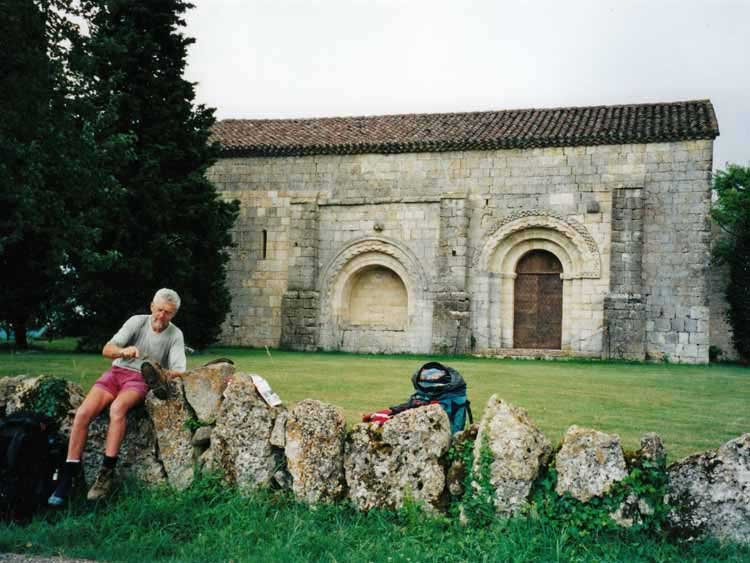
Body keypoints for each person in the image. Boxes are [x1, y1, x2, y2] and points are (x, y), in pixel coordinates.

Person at [48, 288, 186, 506]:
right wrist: (124, 351)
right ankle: (69, 474)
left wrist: (162, 372)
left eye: (168, 313)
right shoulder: (137, 322)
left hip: (139, 379)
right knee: (83, 413)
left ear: (174, 314)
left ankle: (106, 473)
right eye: (159, 310)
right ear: (152, 306)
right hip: (115, 373)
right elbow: (107, 349)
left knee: (117, 409)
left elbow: (179, 370)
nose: (161, 316)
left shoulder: (175, 335)